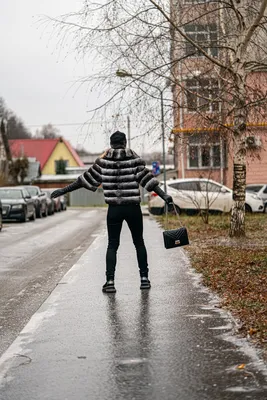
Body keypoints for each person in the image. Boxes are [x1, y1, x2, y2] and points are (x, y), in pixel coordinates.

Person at [51, 131, 173, 293]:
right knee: (139, 243)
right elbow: (149, 181)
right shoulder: (133, 160)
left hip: (114, 209)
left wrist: (63, 190)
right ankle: (144, 279)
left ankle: (110, 282)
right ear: (124, 142)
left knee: (112, 245)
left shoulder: (103, 163)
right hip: (133, 209)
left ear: (111, 144)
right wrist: (165, 196)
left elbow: (84, 180)